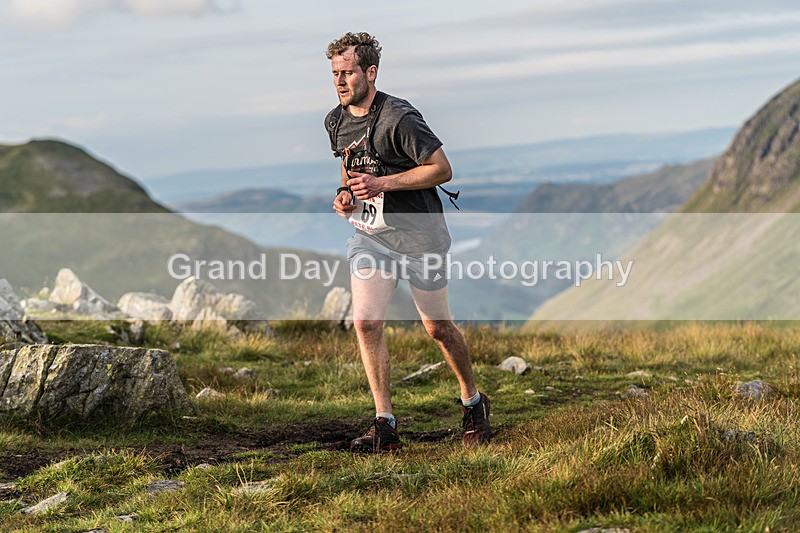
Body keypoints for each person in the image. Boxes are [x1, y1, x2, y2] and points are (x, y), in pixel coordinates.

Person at [324, 32, 491, 452]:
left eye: (348, 72)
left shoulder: (398, 117)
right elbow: (348, 170)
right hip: (372, 238)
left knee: (437, 328)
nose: (340, 81)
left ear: (371, 72)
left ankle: (473, 401)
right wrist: (345, 196)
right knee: (366, 323)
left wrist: (383, 183)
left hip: (420, 238)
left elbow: (441, 169)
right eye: (335, 73)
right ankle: (385, 424)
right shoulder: (335, 121)